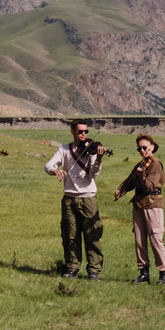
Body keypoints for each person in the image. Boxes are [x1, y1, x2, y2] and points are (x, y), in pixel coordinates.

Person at [45, 119, 112, 279]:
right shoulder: (64, 149)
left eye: (86, 132)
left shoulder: (92, 150)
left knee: (92, 235)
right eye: (80, 131)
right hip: (69, 198)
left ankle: (94, 270)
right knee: (70, 235)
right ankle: (72, 268)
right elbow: (48, 165)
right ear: (72, 132)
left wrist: (99, 159)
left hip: (87, 198)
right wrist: (55, 171)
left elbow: (93, 174)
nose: (83, 134)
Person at [111, 133, 165, 284]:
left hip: (152, 204)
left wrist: (141, 176)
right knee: (139, 240)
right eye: (139, 149)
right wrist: (121, 189)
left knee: (156, 238)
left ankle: (163, 273)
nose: (142, 151)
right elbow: (130, 181)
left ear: (152, 147)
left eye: (145, 147)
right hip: (138, 204)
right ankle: (144, 273)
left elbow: (150, 185)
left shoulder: (156, 165)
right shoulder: (140, 164)